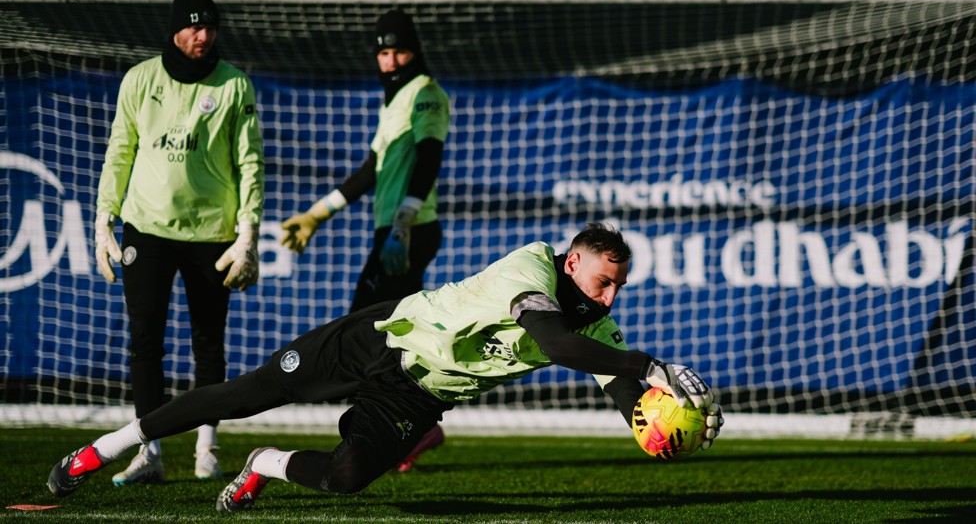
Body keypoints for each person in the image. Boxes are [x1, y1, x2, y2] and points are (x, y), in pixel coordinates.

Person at [49, 223, 723, 512]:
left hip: (417, 394)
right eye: (604, 281)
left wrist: (652, 419)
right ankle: (98, 449)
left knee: (345, 478)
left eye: (618, 288)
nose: (610, 297)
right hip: (380, 337)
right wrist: (652, 362)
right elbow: (555, 343)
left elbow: (617, 383)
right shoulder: (535, 267)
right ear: (575, 261)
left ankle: (263, 463)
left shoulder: (598, 325)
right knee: (243, 391)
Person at [92, 0, 264, 485]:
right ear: (174, 29)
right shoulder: (139, 80)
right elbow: (119, 151)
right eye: (193, 26)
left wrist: (248, 230)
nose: (202, 36)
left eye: (210, 26)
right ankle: (148, 452)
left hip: (213, 233)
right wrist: (104, 218)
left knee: (208, 343)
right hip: (145, 229)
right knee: (146, 342)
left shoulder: (235, 85)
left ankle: (206, 447)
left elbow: (249, 160)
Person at [279, 7, 450, 470]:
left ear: (414, 51)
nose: (391, 61)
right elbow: (370, 171)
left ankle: (404, 430)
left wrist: (404, 224)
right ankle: (409, 429)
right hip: (393, 231)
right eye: (384, 53)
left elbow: (429, 159)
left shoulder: (426, 93)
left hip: (409, 231)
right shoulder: (394, 102)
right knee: (385, 337)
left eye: (399, 51)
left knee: (368, 334)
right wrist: (317, 214)